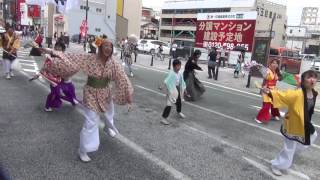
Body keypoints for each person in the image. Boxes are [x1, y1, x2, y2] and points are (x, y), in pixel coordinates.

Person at [39, 37, 133, 162]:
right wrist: (50, 51)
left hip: (106, 92)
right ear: (99, 48)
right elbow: (70, 57)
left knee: (109, 112)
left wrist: (129, 97)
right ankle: (83, 150)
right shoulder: (89, 58)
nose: (107, 49)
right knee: (91, 121)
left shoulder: (114, 63)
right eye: (105, 46)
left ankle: (107, 127)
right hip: (91, 92)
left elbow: (122, 78)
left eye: (110, 46)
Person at [260, 70, 318, 176]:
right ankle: (277, 165)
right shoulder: (297, 94)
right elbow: (283, 95)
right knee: (290, 148)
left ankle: (285, 160)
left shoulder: (314, 93)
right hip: (292, 124)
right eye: (309, 77)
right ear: (303, 80)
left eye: (314, 77)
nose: (312, 79)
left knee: (313, 135)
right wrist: (269, 92)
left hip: (304, 123)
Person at [255, 59, 282, 124]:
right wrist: (263, 89)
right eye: (273, 63)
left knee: (274, 103)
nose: (274, 64)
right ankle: (259, 118)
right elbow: (265, 80)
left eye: (276, 63)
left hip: (274, 90)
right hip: (266, 90)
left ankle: (275, 114)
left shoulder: (276, 71)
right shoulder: (267, 70)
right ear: (270, 64)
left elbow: (280, 79)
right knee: (267, 105)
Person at [160, 59, 186, 125]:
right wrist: (162, 86)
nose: (179, 67)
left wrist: (185, 89)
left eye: (180, 66)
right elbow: (166, 81)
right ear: (174, 66)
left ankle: (179, 112)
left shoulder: (180, 74)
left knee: (179, 101)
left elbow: (182, 82)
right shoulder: (171, 73)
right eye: (177, 66)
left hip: (177, 89)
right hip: (171, 90)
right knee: (169, 104)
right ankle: (163, 118)